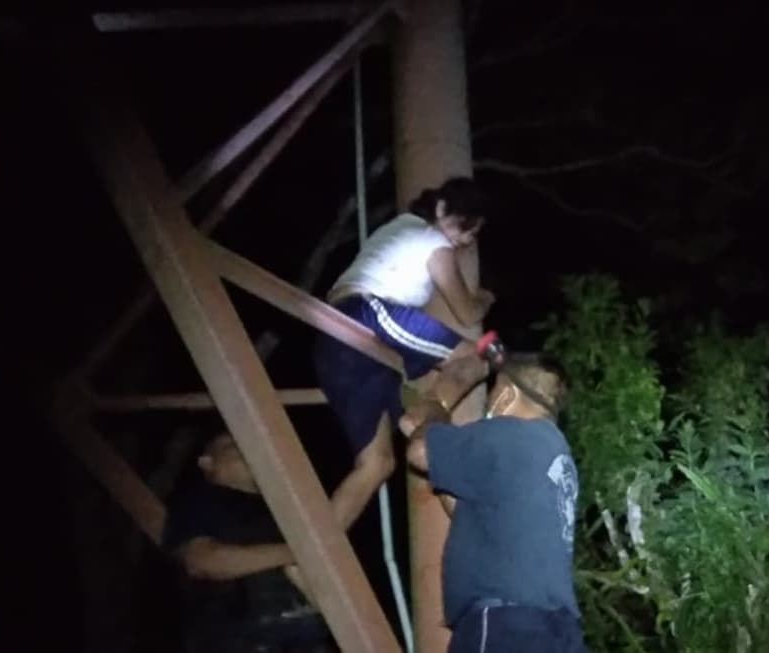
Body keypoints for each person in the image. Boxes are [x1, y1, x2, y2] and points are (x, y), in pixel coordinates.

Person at [312, 176, 495, 534]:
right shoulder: (431, 239)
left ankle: (311, 546)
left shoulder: (399, 229)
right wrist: (486, 298)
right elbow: (466, 311)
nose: (466, 241)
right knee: (475, 359)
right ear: (442, 209)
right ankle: (427, 411)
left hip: (339, 345)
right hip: (366, 313)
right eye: (467, 229)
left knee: (377, 464)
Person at [398, 358, 587, 653]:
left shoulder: (509, 433)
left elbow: (420, 452)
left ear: (506, 396)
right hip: (557, 630)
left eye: (491, 394)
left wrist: (434, 412)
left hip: (507, 627)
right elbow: (477, 514)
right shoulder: (555, 455)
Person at [163, 432, 335, 653]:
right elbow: (203, 561)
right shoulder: (198, 501)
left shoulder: (287, 508)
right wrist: (299, 552)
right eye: (231, 445)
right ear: (207, 462)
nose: (244, 446)